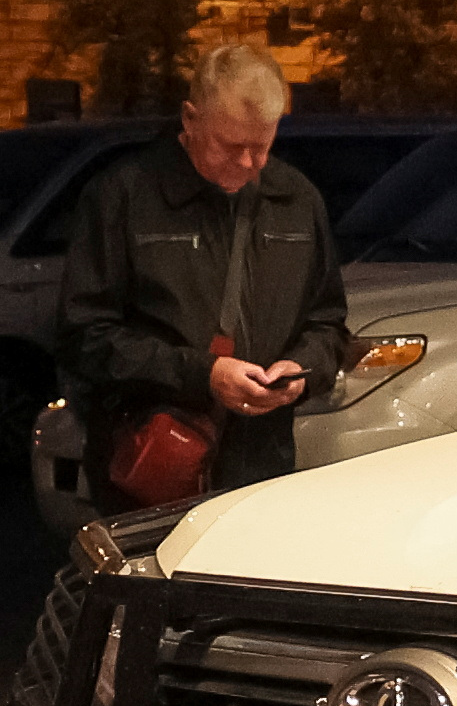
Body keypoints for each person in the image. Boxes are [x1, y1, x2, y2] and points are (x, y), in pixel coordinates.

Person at [57, 42, 347, 500]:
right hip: (152, 471)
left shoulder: (296, 199)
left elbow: (327, 322)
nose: (250, 163)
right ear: (190, 120)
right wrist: (204, 375)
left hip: (260, 469)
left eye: (263, 145)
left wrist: (304, 370)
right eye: (232, 146)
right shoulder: (124, 197)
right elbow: (84, 337)